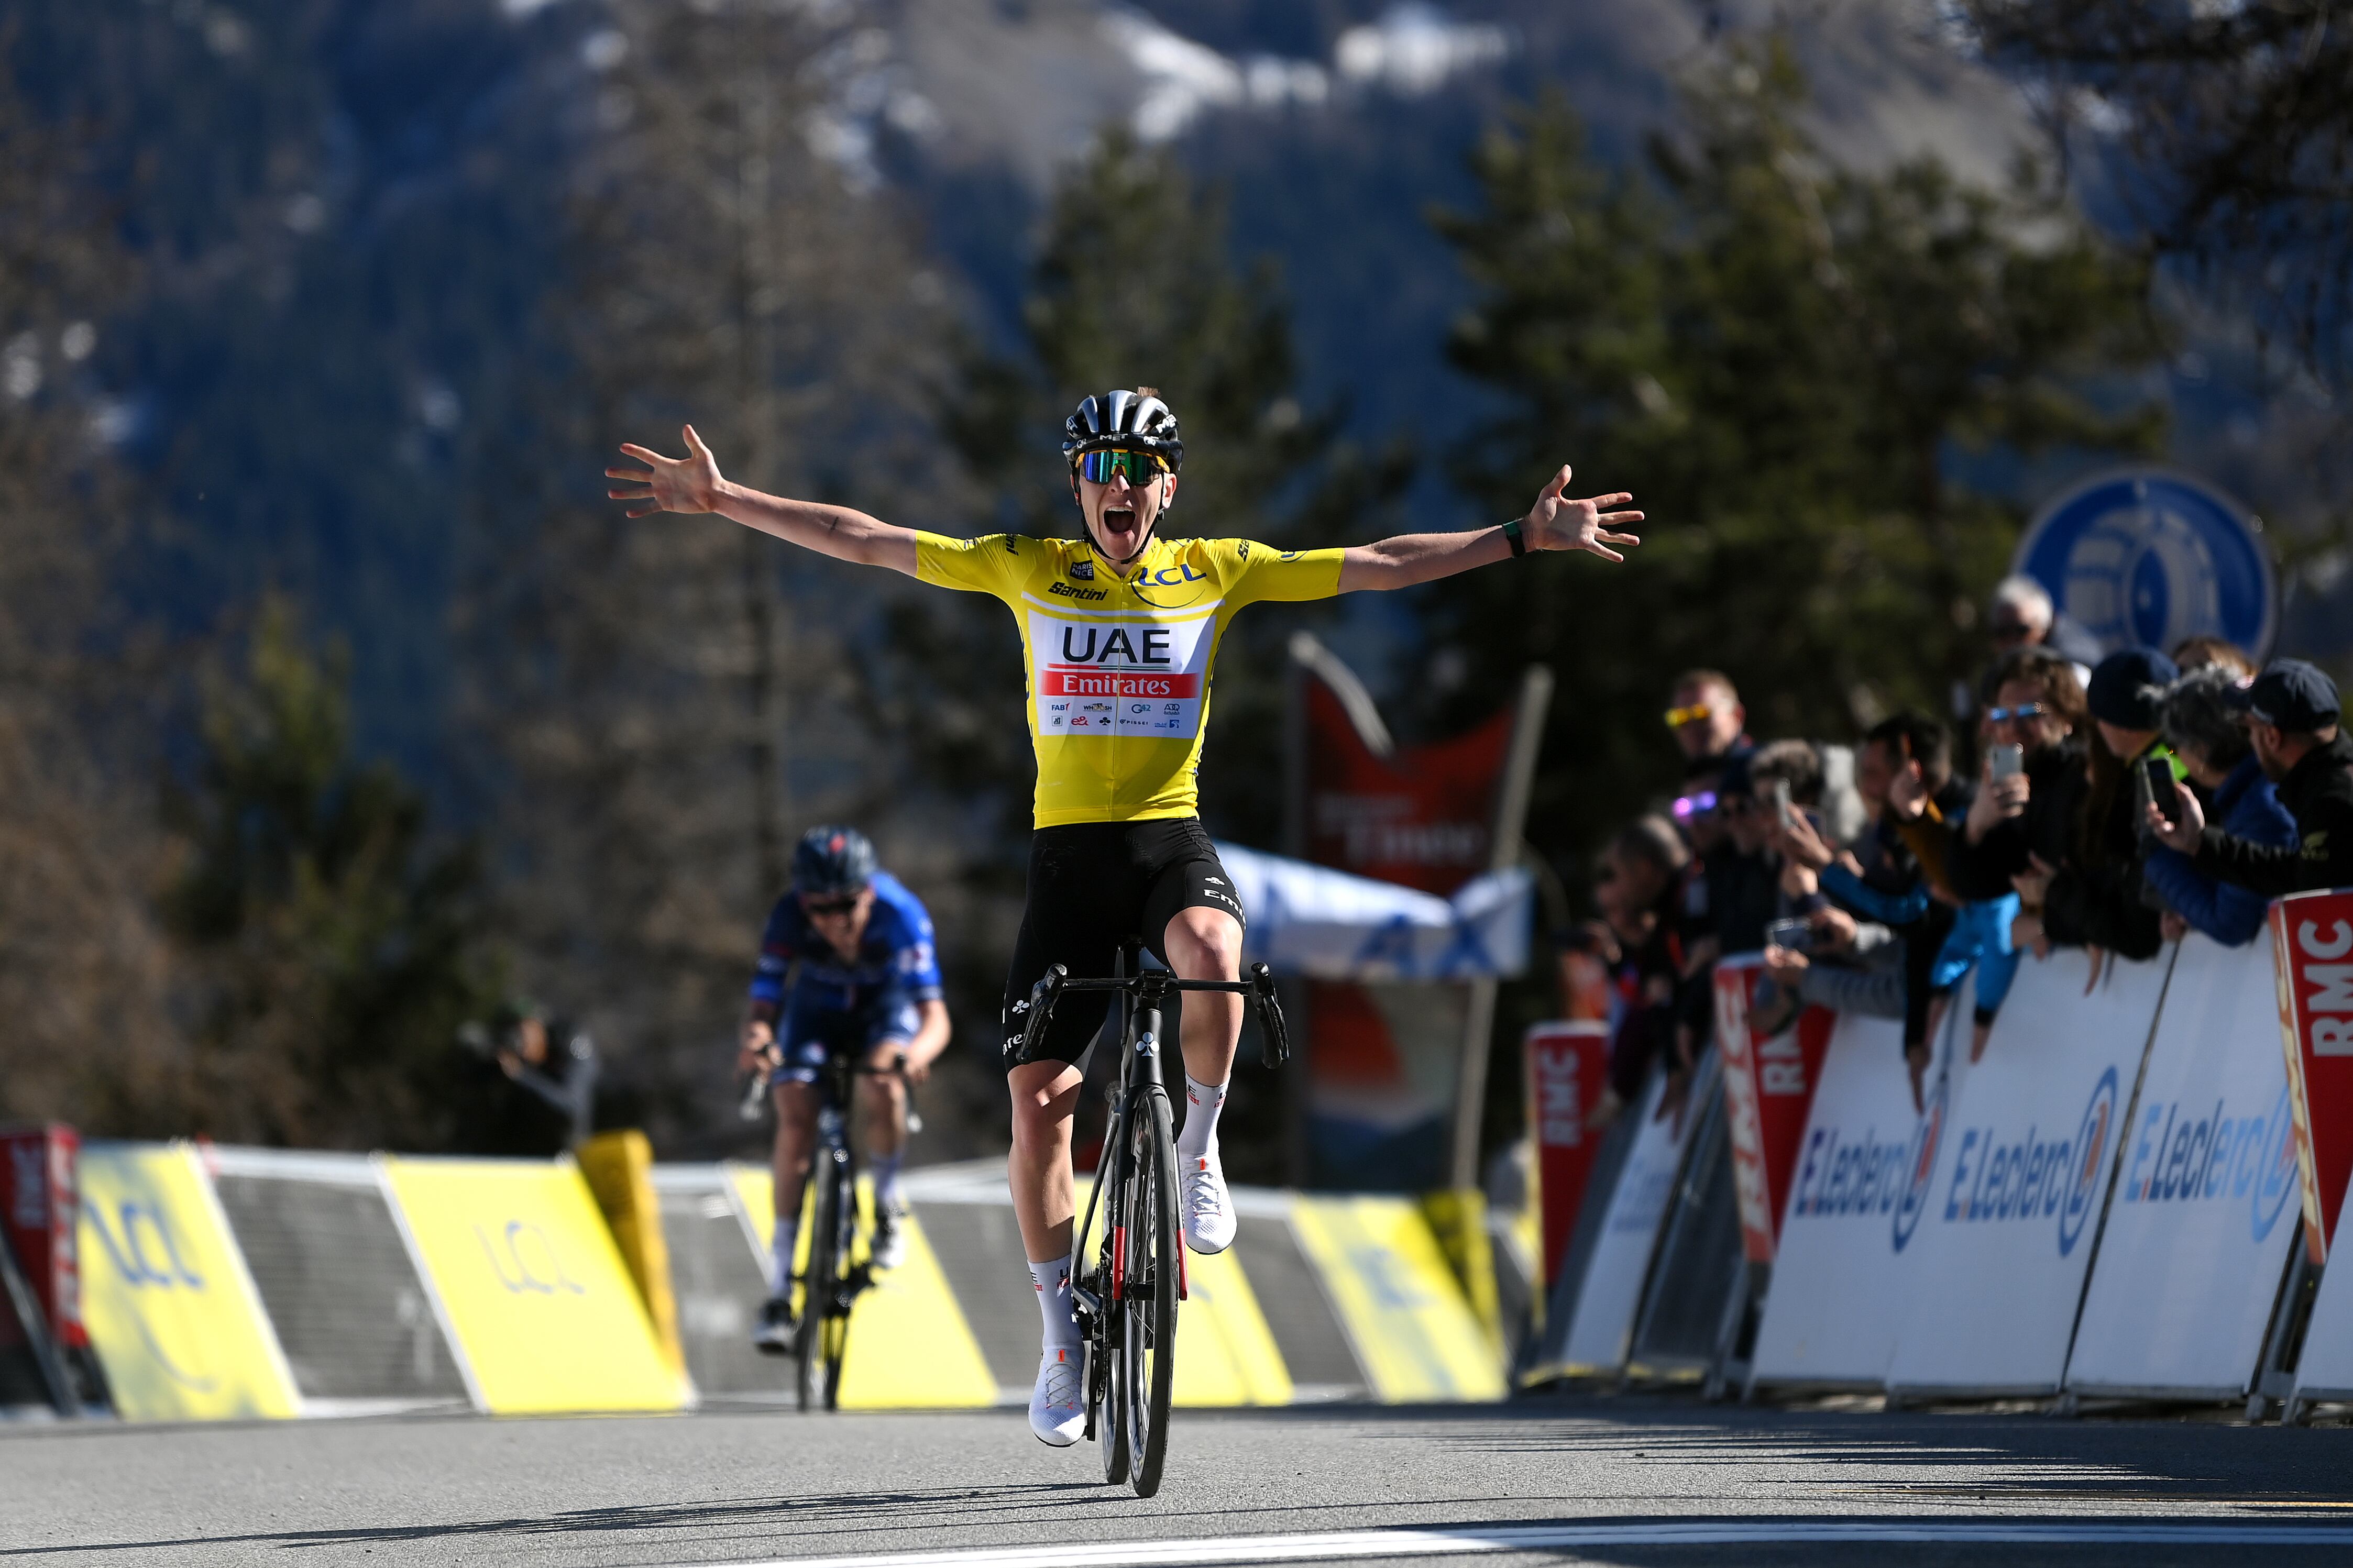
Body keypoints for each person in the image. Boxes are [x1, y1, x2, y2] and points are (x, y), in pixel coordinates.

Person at [608, 390, 1639, 1445]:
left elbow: (1377, 561)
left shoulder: (1216, 569)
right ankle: (1060, 1341)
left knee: (1213, 952)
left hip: (1166, 842)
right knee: (1039, 1103)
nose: (1121, 486)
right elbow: (860, 539)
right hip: (1067, 864)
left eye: (1141, 470)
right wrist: (726, 498)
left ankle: (1196, 1149)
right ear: (1077, 485)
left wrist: (1517, 538)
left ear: (1167, 489)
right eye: (1102, 467)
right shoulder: (1023, 566)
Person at [738, 826, 951, 1353]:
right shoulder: (787, 914)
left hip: (883, 1015)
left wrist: (914, 1056)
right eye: (819, 909)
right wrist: (758, 1039)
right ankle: (779, 1285)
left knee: (882, 1081)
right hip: (815, 1016)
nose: (834, 921)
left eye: (847, 906)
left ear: (870, 891)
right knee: (793, 1110)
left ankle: (884, 1205)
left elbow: (935, 1018)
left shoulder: (900, 915)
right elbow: (764, 1005)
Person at [2148, 659, 2353, 896]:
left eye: (2250, 730)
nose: (2249, 742)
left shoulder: (2333, 803)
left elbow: (2318, 895)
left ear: (2272, 738)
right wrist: (2198, 843)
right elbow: (2298, 873)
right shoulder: (2326, 786)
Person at [2141, 666, 2296, 946]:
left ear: (2201, 750)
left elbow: (2232, 924)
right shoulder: (2258, 792)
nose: (2177, 760)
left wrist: (2159, 856)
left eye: (2176, 748)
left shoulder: (2261, 810)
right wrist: (2195, 844)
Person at [1986, 575, 2102, 679]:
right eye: (2002, 632)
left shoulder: (2075, 662)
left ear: (2044, 627)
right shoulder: (2000, 674)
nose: (2012, 641)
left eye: (2021, 630)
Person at [1665, 669, 1751, 769]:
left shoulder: (1764, 768)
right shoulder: (1697, 779)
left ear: (1736, 715)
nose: (1692, 726)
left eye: (1702, 714)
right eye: (1679, 718)